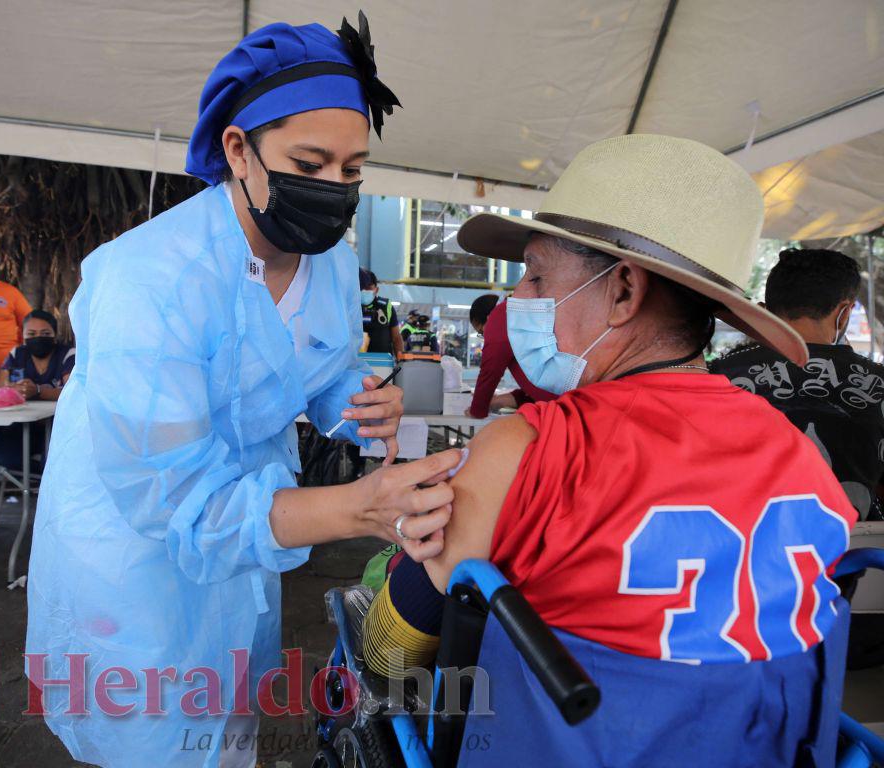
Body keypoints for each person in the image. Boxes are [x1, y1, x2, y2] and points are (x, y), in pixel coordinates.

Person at [25, 15, 460, 768]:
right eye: (311, 162)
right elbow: (177, 507)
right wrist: (362, 506)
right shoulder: (149, 283)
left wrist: (369, 402)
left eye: (352, 172)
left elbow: (317, 377)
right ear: (238, 148)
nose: (333, 191)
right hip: (138, 550)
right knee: (152, 727)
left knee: (227, 719)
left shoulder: (327, 264)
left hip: (248, 531)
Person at [360, 136, 856, 766]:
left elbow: (392, 651)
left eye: (538, 274)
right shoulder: (801, 460)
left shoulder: (530, 447)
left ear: (623, 290)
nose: (521, 298)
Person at [712, 248, 884, 521]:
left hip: (743, 548)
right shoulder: (878, 381)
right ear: (844, 313)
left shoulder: (716, 376)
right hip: (856, 553)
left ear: (764, 311)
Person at [467, 293, 554, 418]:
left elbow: (490, 371)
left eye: (481, 332)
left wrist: (477, 410)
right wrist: (496, 401)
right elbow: (541, 384)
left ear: (485, 319)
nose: (486, 338)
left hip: (562, 406)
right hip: (563, 397)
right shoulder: (522, 314)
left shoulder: (501, 316)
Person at [0, 309, 75, 401]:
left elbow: (73, 393)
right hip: (24, 413)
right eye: (31, 333)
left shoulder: (68, 355)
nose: (38, 337)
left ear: (55, 335)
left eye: (45, 333)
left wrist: (38, 391)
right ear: (23, 336)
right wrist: (12, 389)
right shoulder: (17, 354)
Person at [360, 268, 403, 358]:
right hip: (355, 363)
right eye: (361, 288)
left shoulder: (386, 306)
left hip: (382, 363)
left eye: (368, 288)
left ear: (376, 290)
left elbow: (396, 338)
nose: (364, 291)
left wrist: (401, 361)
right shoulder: (349, 307)